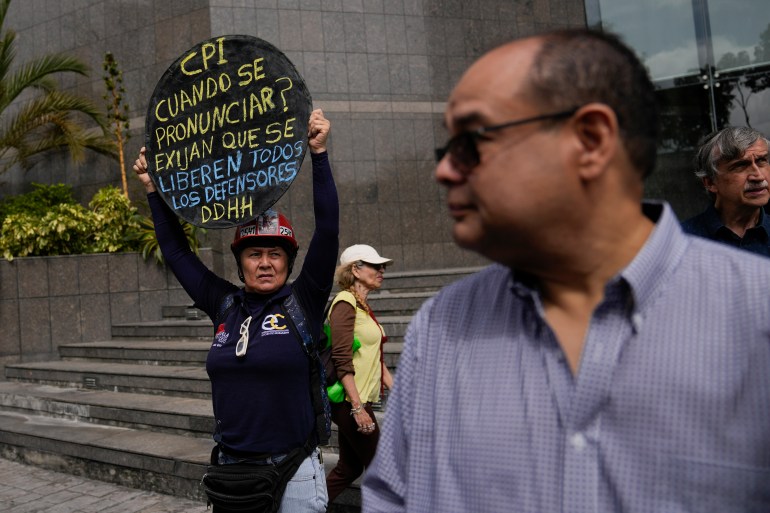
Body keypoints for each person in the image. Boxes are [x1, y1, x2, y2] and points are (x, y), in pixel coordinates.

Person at [362, 28, 770, 513]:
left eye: (472, 141)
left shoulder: (756, 312)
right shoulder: (442, 327)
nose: (444, 171)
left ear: (591, 140)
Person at [133, 109, 338, 513]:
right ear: (240, 262)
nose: (265, 263)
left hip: (294, 472)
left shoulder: (304, 301)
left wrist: (318, 154)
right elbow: (175, 252)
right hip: (233, 473)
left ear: (289, 261)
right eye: (255, 254)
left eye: (275, 254)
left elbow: (328, 230)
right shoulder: (223, 303)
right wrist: (153, 189)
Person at [325, 244, 394, 504]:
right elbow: (342, 359)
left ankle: (306, 508)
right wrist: (357, 407)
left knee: (349, 467)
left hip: (357, 400)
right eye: (376, 265)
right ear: (355, 269)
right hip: (349, 401)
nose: (382, 270)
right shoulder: (345, 303)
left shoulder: (363, 306)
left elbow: (375, 358)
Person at [681, 126, 770, 256]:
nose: (759, 177)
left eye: (761, 161)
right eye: (740, 165)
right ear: (710, 182)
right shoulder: (680, 242)